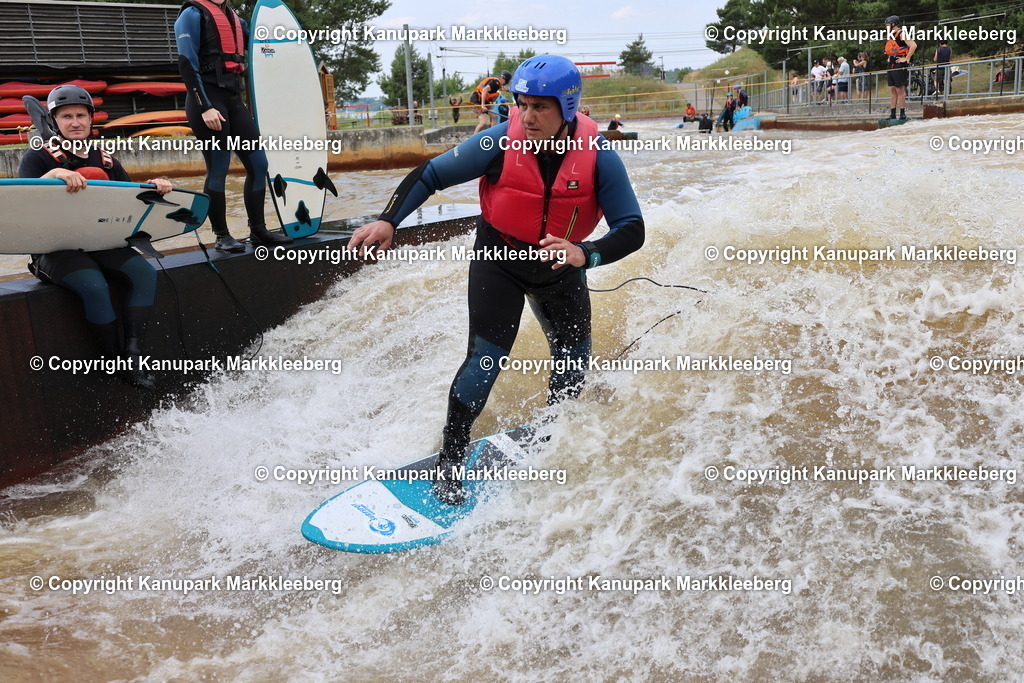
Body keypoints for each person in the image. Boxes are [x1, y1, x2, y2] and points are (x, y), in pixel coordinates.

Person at [348, 55, 645, 505]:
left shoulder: (599, 157)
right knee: (484, 362)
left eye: (539, 107)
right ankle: (449, 466)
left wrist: (586, 253)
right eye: (521, 104)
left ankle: (552, 438)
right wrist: (390, 220)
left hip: (560, 266)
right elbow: (430, 174)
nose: (526, 116)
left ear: (567, 109)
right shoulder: (498, 144)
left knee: (573, 360)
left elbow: (632, 227)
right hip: (498, 259)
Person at [18, 85, 173, 390]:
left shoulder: (107, 161)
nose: (74, 122)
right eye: (66, 117)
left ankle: (132, 356)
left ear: (91, 120)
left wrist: (155, 186)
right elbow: (22, 202)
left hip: (99, 241)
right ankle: (112, 362)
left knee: (144, 274)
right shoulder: (36, 158)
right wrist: (54, 176)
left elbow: (130, 201)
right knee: (94, 285)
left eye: (80, 115)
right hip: (54, 249)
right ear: (54, 121)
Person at [175, 0, 291, 252]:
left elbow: (263, 45)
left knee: (259, 164)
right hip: (207, 101)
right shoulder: (192, 15)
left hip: (233, 101)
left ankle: (258, 231)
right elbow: (186, 62)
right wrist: (204, 106)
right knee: (219, 168)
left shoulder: (238, 21)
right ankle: (222, 235)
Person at [884, 15, 916, 119]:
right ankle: (892, 113)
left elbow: (913, 45)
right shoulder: (891, 35)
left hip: (900, 64)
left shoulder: (902, 34)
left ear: (893, 24)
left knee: (899, 89)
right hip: (892, 63)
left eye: (887, 24)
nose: (886, 26)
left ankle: (902, 113)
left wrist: (906, 58)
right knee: (892, 89)